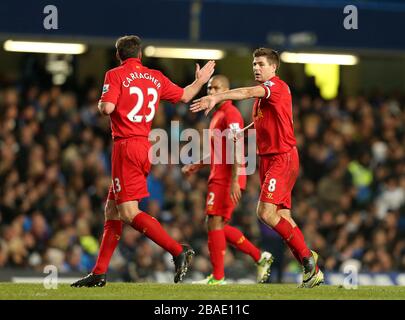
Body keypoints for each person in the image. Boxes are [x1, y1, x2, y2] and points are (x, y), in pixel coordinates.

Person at [71, 35, 215, 287]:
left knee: (128, 212)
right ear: (140, 55)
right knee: (112, 210)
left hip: (125, 146)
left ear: (118, 55)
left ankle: (177, 250)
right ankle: (99, 272)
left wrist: (102, 102)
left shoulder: (114, 75)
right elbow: (184, 96)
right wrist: (199, 81)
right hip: (144, 145)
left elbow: (106, 108)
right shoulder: (155, 76)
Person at [190, 48, 324, 288]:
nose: (256, 68)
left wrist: (217, 97)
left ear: (274, 67)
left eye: (261, 64)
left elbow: (247, 91)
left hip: (281, 158)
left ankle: (306, 259)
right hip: (270, 159)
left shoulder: (276, 87)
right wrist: (244, 132)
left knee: (264, 213)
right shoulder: (265, 98)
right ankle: (311, 267)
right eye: (254, 64)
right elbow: (263, 122)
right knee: (282, 216)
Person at [182, 75, 273, 285]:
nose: (211, 92)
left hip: (227, 177)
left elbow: (237, 145)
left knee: (214, 222)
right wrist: (197, 164)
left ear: (226, 89)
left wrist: (234, 180)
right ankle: (259, 257)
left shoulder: (230, 113)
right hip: (221, 175)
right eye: (209, 88)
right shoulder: (218, 115)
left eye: (216, 88)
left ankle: (219, 277)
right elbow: (220, 151)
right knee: (217, 224)